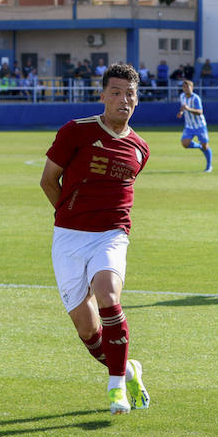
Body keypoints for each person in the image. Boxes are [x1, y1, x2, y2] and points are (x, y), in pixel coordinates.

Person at [39, 63, 152, 416]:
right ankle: (126, 368)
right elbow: (48, 181)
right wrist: (71, 217)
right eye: (116, 93)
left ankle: (115, 387)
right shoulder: (76, 131)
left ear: (137, 100)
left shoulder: (140, 149)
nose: (123, 100)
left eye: (130, 94)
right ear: (102, 96)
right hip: (69, 239)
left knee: (107, 294)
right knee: (88, 331)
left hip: (112, 236)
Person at [175, 79, 212, 172]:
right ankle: (199, 146)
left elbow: (200, 112)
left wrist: (188, 108)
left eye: (188, 86)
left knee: (205, 146)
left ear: (192, 87)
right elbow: (183, 107)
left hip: (200, 125)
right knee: (185, 143)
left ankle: (209, 166)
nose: (186, 88)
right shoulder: (182, 96)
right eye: (184, 87)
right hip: (189, 125)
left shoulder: (196, 98)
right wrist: (181, 112)